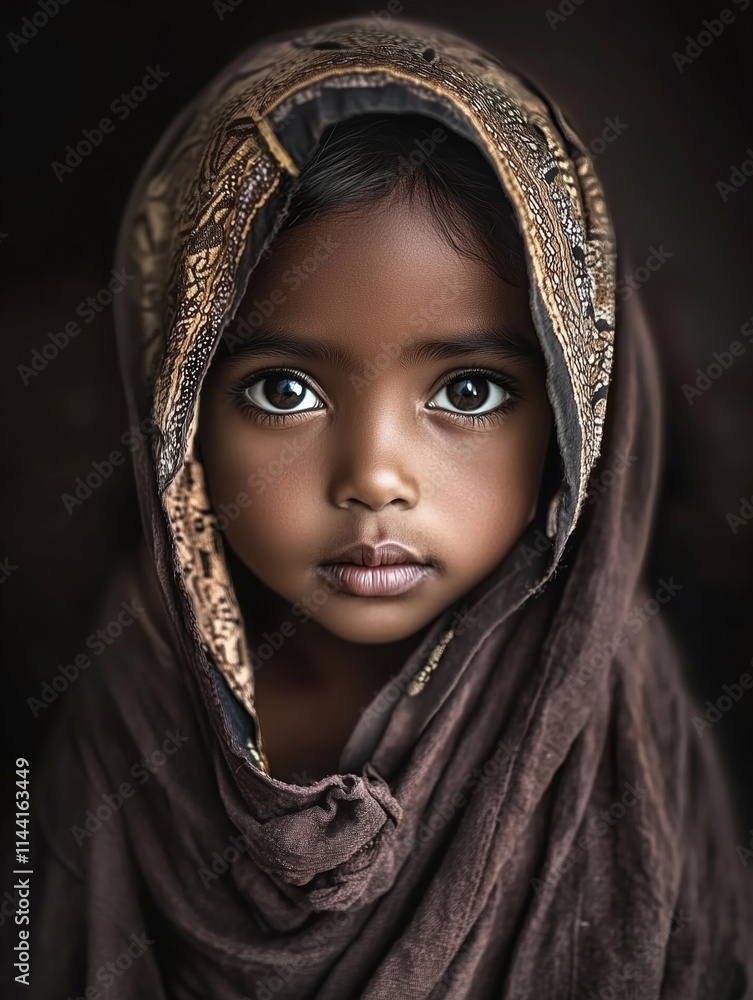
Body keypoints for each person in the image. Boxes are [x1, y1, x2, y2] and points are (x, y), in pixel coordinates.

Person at [30, 16, 752, 999]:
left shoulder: (621, 715)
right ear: (178, 411)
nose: (374, 476)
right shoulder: (124, 696)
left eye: (468, 392)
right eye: (284, 390)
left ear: (578, 417)